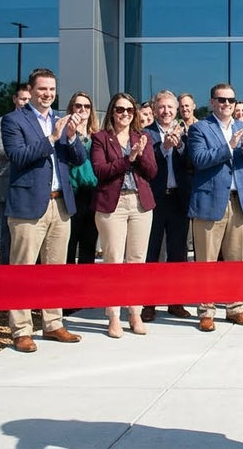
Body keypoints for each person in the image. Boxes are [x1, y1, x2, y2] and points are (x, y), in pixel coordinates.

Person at [0, 68, 87, 353]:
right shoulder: (14, 120)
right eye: (42, 90)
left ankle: (52, 323)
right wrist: (51, 138)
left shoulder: (60, 119)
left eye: (51, 89)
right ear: (31, 90)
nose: (48, 94)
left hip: (60, 203)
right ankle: (21, 329)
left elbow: (77, 159)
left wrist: (72, 137)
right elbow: (18, 156)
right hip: (28, 206)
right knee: (22, 270)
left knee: (55, 270)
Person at [187, 83, 243, 330]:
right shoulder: (200, 128)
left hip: (239, 201)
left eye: (231, 100)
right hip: (210, 201)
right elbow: (199, 160)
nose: (227, 105)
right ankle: (206, 311)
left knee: (235, 260)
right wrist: (229, 146)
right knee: (206, 262)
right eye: (221, 100)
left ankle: (235, 308)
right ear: (211, 102)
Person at [91, 93, 157, 338]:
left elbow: (152, 172)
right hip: (113, 204)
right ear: (112, 112)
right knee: (113, 261)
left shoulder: (143, 138)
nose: (125, 114)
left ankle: (135, 313)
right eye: (120, 110)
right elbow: (100, 171)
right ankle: (114, 316)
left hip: (140, 204)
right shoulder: (100, 138)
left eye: (130, 110)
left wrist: (139, 156)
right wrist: (126, 159)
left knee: (137, 262)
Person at [142, 90, 193, 321]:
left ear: (177, 110)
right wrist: (163, 148)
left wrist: (180, 146)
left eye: (170, 108)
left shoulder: (186, 133)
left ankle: (176, 301)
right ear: (154, 110)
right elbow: (145, 163)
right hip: (155, 199)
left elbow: (192, 162)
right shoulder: (145, 133)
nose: (166, 111)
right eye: (162, 107)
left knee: (178, 252)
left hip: (178, 199)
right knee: (152, 252)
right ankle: (149, 303)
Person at [0, 84, 30, 264]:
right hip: (7, 184)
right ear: (15, 99)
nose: (26, 103)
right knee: (7, 234)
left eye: (29, 100)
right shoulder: (2, 121)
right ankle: (4, 277)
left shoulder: (38, 123)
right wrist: (20, 149)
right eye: (23, 99)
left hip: (31, 185)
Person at [64, 92, 99, 265]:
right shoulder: (64, 134)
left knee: (89, 244)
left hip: (92, 194)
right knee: (69, 244)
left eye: (87, 106)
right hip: (71, 194)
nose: (83, 109)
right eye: (78, 106)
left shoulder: (97, 135)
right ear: (71, 108)